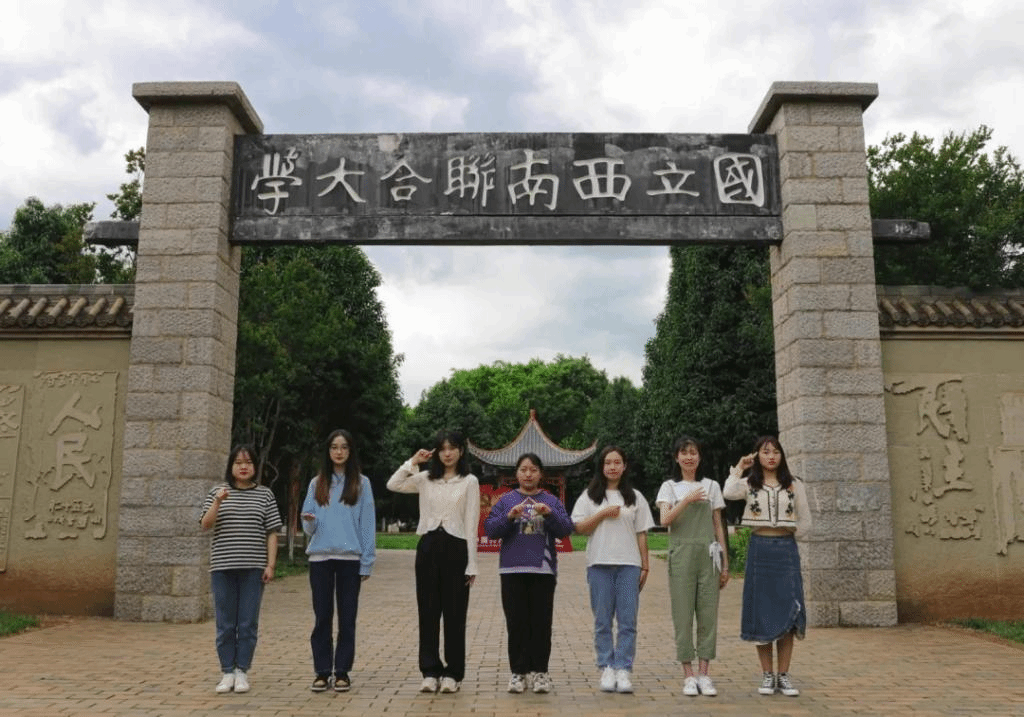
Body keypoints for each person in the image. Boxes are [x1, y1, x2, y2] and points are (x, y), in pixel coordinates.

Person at [387, 429, 480, 694]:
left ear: (461, 451)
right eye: (442, 449)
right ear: (436, 452)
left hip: (456, 548)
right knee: (428, 612)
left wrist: (472, 563)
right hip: (428, 547)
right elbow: (393, 484)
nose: (447, 453)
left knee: (454, 614)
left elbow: (472, 523)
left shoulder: (469, 481)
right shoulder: (426, 478)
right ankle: (429, 671)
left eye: (452, 448)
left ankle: (453, 673)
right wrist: (413, 462)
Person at [723, 435, 811, 697]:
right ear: (757, 456)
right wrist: (741, 467)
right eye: (765, 452)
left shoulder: (794, 484)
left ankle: (783, 675)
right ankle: (767, 674)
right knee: (761, 610)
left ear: (782, 456)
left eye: (775, 452)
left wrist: (789, 532)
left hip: (786, 550)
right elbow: (728, 492)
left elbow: (806, 520)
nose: (771, 456)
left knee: (789, 610)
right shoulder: (749, 483)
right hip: (759, 549)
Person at [483, 452, 574, 695]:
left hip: (542, 570)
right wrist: (510, 516)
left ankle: (540, 672)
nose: (528, 474)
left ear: (540, 474)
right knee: (516, 623)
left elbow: (566, 529)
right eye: (523, 469)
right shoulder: (506, 501)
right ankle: (518, 673)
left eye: (533, 470)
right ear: (516, 473)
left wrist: (549, 514)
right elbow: (490, 530)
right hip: (511, 570)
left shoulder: (550, 500)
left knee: (541, 624)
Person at [570, 445, 654, 694]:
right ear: (601, 466)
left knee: (628, 621)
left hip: (629, 565)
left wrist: (645, 565)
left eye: (617, 462)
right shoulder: (590, 496)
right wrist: (603, 513)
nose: (612, 467)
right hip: (599, 564)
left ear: (624, 466)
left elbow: (642, 533)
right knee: (602, 620)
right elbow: (579, 528)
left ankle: (624, 668)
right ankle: (606, 666)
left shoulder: (635, 497)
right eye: (608, 462)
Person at [200, 444, 282, 694]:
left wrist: (270, 564)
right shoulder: (217, 492)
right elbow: (205, 524)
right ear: (231, 466)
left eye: (248, 462)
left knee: (247, 623)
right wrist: (218, 502)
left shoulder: (265, 495)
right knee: (225, 623)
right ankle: (227, 671)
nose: (243, 467)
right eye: (238, 463)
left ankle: (242, 671)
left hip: (253, 569)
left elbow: (272, 532)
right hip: (222, 568)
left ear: (255, 466)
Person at [301, 429, 376, 693]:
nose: (339, 452)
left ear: (350, 451)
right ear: (328, 451)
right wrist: (309, 522)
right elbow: (308, 524)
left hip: (350, 560)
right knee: (322, 617)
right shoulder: (316, 483)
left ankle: (342, 671)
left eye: (344, 447)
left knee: (347, 618)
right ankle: (322, 672)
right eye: (334, 447)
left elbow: (367, 525)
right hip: (320, 558)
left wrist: (367, 561)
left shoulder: (362, 483)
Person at [655, 436, 729, 697]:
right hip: (681, 555)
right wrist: (686, 500)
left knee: (708, 615)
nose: (689, 457)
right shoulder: (669, 487)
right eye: (684, 453)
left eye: (693, 452)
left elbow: (718, 525)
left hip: (708, 556)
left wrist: (725, 563)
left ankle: (704, 674)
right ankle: (688, 674)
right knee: (683, 615)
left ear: (700, 456)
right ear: (677, 458)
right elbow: (664, 519)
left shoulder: (711, 486)